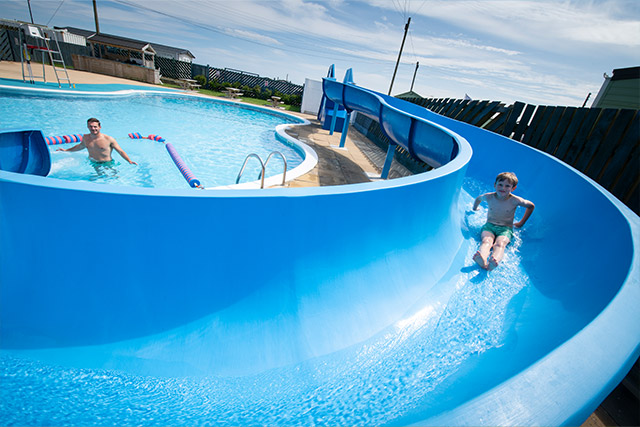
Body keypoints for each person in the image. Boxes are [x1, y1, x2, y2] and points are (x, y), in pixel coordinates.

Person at [472, 172, 535, 270]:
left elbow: (531, 206)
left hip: (505, 229)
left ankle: (494, 261)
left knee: (500, 244)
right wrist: (475, 208)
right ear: (495, 185)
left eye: (507, 186)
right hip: (489, 226)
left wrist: (521, 223)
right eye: (500, 185)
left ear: (513, 188)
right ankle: (482, 259)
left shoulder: (515, 200)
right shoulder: (489, 197)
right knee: (486, 241)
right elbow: (478, 199)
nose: (503, 188)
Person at [57, 118, 137, 165]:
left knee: (113, 178)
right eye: (90, 126)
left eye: (95, 127)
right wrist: (66, 150)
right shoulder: (85, 137)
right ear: (88, 127)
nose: (93, 128)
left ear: (100, 127)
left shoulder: (108, 139)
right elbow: (80, 146)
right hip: (93, 162)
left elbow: (120, 151)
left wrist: (129, 161)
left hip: (107, 163)